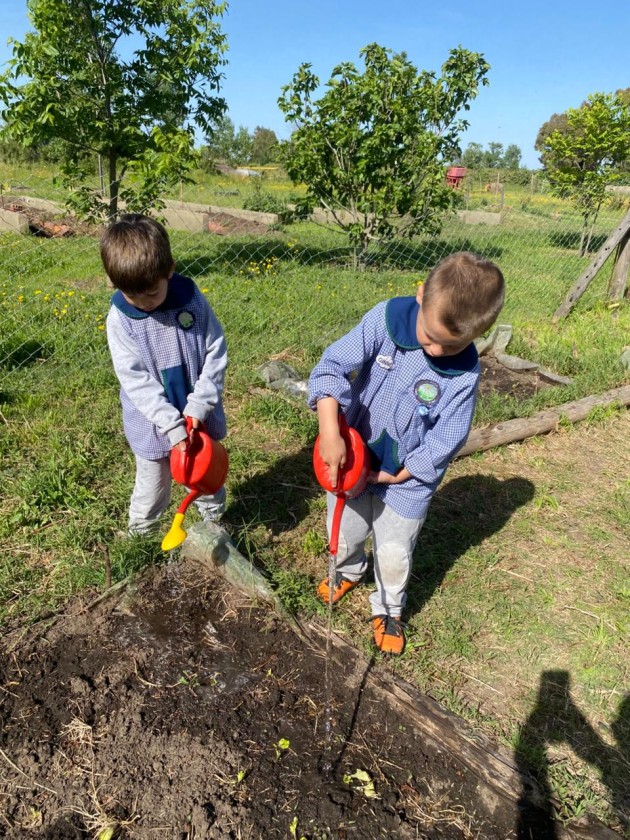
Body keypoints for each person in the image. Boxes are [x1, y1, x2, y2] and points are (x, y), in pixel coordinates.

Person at [308, 251, 505, 655]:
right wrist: (331, 429)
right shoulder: (385, 321)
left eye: (451, 346)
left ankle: (388, 608)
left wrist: (405, 472)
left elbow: (447, 436)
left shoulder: (463, 374)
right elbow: (332, 365)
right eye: (430, 336)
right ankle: (347, 570)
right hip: (352, 459)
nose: (434, 351)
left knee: (395, 551)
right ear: (420, 295)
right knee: (345, 530)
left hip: (405, 483)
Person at [101, 214, 227, 535]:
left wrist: (200, 405)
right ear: (115, 284)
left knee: (205, 475)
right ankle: (142, 535)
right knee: (153, 486)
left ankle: (213, 526)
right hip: (153, 424)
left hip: (199, 416)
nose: (144, 305)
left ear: (169, 269)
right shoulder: (121, 320)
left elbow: (215, 351)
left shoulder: (192, 300)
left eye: (152, 294)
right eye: (133, 297)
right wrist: (172, 424)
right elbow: (135, 381)